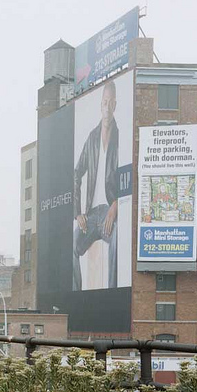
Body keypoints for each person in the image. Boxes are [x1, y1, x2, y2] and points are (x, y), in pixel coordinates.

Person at [73, 78, 120, 290]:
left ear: (115, 104)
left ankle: (113, 294)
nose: (107, 107)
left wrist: (116, 205)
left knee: (117, 239)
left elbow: (131, 177)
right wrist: (78, 213)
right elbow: (76, 174)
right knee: (71, 247)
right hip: (91, 215)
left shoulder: (121, 135)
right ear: (100, 104)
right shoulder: (92, 138)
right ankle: (76, 298)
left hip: (109, 211)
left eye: (111, 102)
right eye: (104, 102)